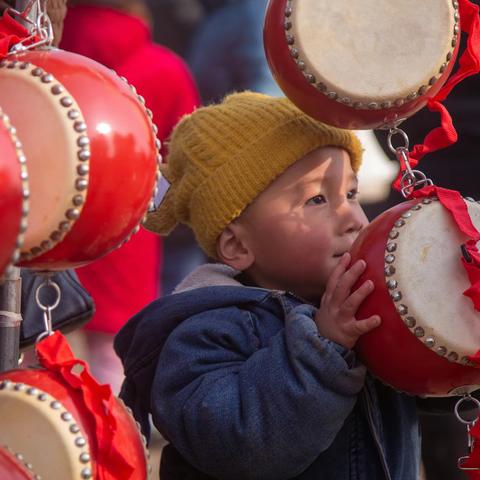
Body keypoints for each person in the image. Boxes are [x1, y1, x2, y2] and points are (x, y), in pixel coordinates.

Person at [114, 92, 420, 479]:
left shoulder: (363, 303)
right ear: (239, 245)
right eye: (317, 199)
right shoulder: (205, 332)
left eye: (351, 193)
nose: (353, 219)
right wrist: (323, 348)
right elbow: (240, 446)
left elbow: (427, 392)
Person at [60, 0, 199, 392]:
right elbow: (184, 158)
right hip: (124, 232)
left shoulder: (47, 61)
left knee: (33, 345)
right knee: (113, 360)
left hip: (44, 226)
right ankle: (113, 445)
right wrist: (152, 209)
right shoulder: (165, 67)